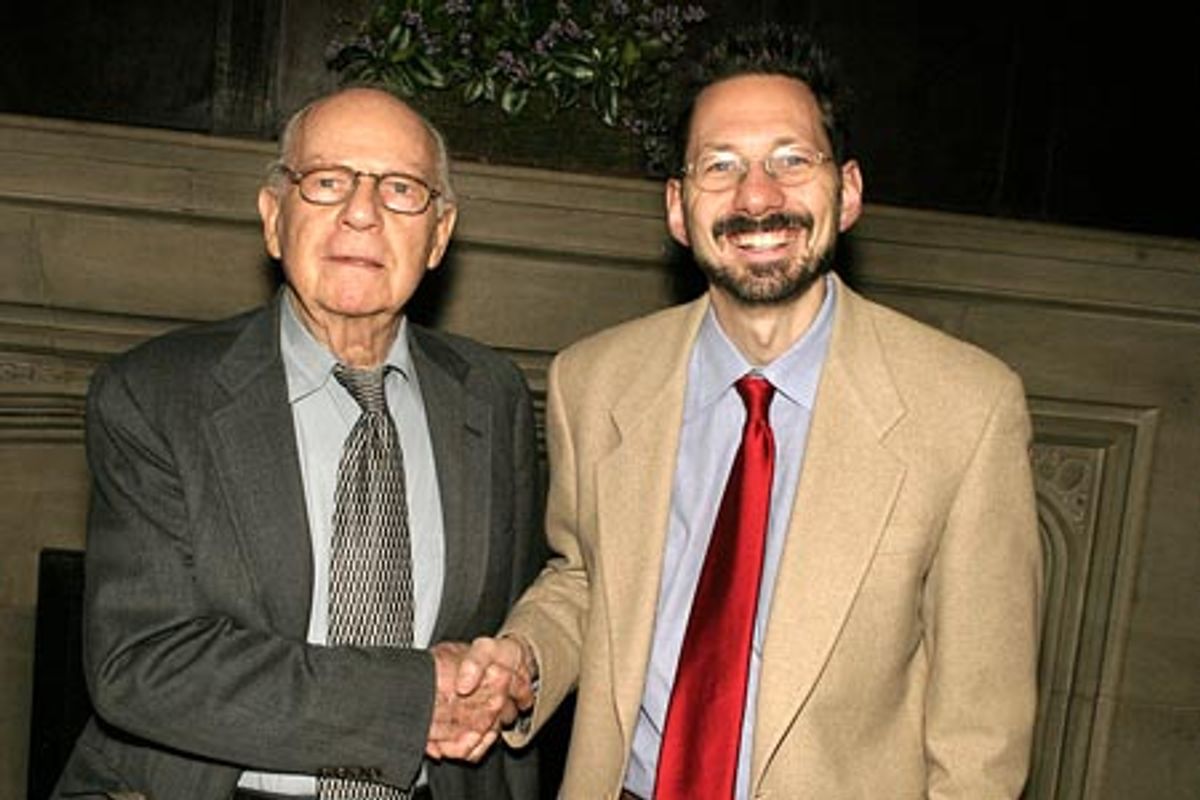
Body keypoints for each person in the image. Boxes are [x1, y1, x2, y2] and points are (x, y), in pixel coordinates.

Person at [453, 23, 1043, 799]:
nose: (757, 196)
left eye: (792, 161)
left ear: (851, 191)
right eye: (720, 166)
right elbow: (590, 577)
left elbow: (982, 734)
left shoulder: (966, 409)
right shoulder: (593, 383)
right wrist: (526, 655)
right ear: (677, 206)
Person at [53, 86, 543, 800]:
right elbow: (143, 664)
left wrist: (503, 675)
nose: (361, 212)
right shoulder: (155, 394)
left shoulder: (491, 394)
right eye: (328, 181)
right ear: (274, 218)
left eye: (400, 189)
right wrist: (413, 698)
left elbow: (507, 624)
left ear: (439, 236)